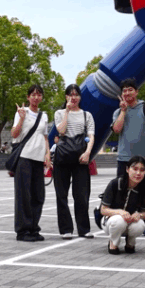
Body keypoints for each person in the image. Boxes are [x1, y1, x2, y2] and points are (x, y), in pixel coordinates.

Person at [111, 77, 145, 236]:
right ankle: (122, 221)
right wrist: (123, 111)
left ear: (136, 92)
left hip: (142, 159)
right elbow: (117, 129)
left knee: (144, 191)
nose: (127, 93)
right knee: (121, 191)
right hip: (124, 159)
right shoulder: (118, 112)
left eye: (130, 89)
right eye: (124, 91)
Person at [11, 84, 52, 242]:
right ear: (28, 97)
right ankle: (23, 231)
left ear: (42, 97)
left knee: (38, 195)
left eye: (39, 94)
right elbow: (14, 134)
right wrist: (21, 119)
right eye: (33, 94)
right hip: (24, 158)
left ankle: (34, 228)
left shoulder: (44, 116)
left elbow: (45, 137)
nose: (36, 97)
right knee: (24, 196)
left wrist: (47, 154)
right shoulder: (22, 112)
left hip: (38, 159)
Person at [53, 84, 95, 239]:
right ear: (66, 97)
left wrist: (88, 152)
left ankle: (84, 229)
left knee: (82, 194)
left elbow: (91, 136)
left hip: (80, 158)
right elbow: (61, 131)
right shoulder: (59, 113)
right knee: (61, 194)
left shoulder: (87, 115)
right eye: (70, 94)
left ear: (80, 97)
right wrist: (67, 112)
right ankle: (66, 229)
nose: (73, 97)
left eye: (76, 94)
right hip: (62, 158)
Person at [99, 155, 145, 254]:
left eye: (142, 170)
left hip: (130, 221)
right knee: (119, 220)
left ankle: (130, 242)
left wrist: (139, 215)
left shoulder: (144, 189)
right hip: (110, 221)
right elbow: (103, 210)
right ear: (127, 169)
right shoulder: (115, 183)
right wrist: (120, 212)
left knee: (140, 225)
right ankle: (113, 243)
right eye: (135, 169)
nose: (138, 173)